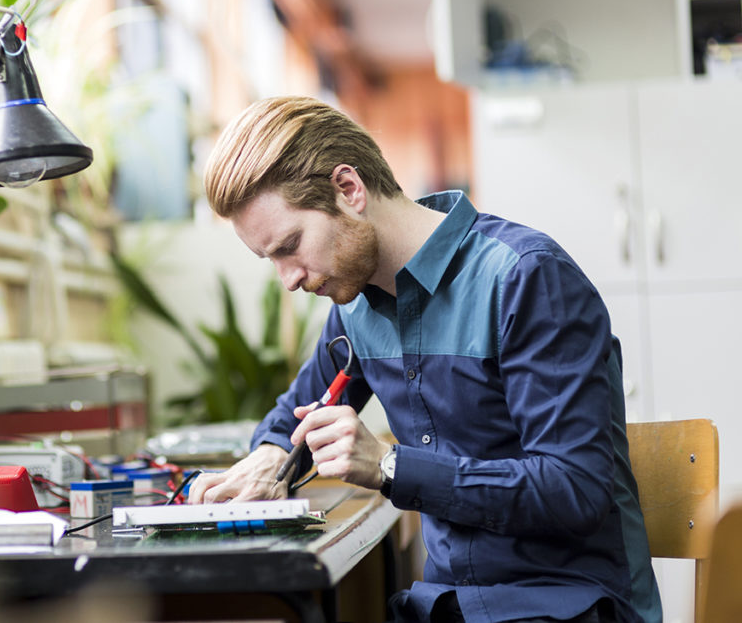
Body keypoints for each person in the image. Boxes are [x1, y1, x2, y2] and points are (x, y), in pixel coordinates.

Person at [186, 96, 661, 623]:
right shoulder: (354, 309)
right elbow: (294, 414)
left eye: (290, 245)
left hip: (568, 604)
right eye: (271, 259)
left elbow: (575, 489)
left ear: (349, 190)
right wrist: (272, 455)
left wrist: (389, 466)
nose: (289, 279)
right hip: (447, 606)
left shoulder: (526, 278)